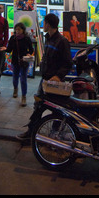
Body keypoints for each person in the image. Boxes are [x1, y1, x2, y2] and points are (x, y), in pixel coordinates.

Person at [16, 13, 72, 142]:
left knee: (56, 108)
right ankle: (31, 131)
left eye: (44, 22)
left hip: (56, 82)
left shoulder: (62, 41)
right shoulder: (48, 38)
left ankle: (54, 134)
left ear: (48, 24)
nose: (42, 25)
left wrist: (58, 76)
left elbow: (68, 62)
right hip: (45, 80)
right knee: (38, 105)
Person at [6, 22, 34, 106]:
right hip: (15, 61)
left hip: (24, 61)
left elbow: (31, 49)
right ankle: (15, 89)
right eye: (16, 29)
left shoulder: (27, 38)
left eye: (19, 29)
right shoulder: (13, 38)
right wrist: (4, 49)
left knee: (23, 79)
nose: (17, 31)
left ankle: (24, 96)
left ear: (23, 30)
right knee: (15, 77)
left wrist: (29, 54)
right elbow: (9, 49)